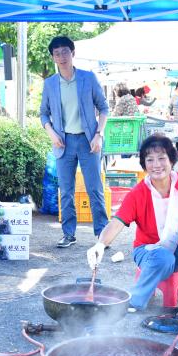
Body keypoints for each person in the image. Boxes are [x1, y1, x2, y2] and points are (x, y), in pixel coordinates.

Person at [86, 135, 178, 313]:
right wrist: (100, 244)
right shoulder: (138, 193)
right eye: (150, 160)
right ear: (144, 164)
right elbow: (117, 222)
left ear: (172, 160)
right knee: (163, 257)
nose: (156, 165)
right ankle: (134, 302)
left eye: (161, 158)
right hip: (149, 252)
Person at [40, 36, 110, 248]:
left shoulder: (88, 78)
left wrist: (99, 134)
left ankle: (102, 234)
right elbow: (43, 113)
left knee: (94, 189)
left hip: (89, 141)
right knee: (66, 190)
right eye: (57, 53)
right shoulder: (50, 83)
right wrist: (51, 132)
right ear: (53, 57)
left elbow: (104, 107)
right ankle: (68, 234)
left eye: (65, 52)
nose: (61, 57)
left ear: (73, 53)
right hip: (63, 142)